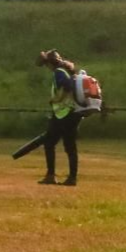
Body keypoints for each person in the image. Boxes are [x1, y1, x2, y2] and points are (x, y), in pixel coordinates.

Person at [34, 49, 82, 186]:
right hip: (73, 113)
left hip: (63, 114)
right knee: (70, 147)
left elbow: (67, 87)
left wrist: (56, 99)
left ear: (50, 63)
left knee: (49, 143)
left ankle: (51, 175)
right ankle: (72, 178)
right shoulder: (67, 70)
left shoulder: (59, 73)